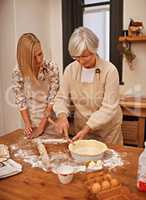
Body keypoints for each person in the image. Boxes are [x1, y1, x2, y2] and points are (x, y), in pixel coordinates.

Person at [53, 27, 123, 145]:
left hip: (108, 133)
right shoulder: (70, 70)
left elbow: (109, 108)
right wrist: (62, 115)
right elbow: (61, 98)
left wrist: (88, 127)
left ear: (94, 49)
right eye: (76, 57)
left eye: (85, 56)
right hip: (81, 130)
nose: (81, 61)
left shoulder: (110, 71)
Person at [12, 33, 59, 139]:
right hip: (30, 121)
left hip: (50, 121)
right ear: (25, 59)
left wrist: (41, 128)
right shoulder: (18, 72)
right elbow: (20, 100)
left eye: (40, 54)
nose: (39, 60)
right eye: (33, 57)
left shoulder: (51, 68)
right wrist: (28, 124)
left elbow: (53, 98)